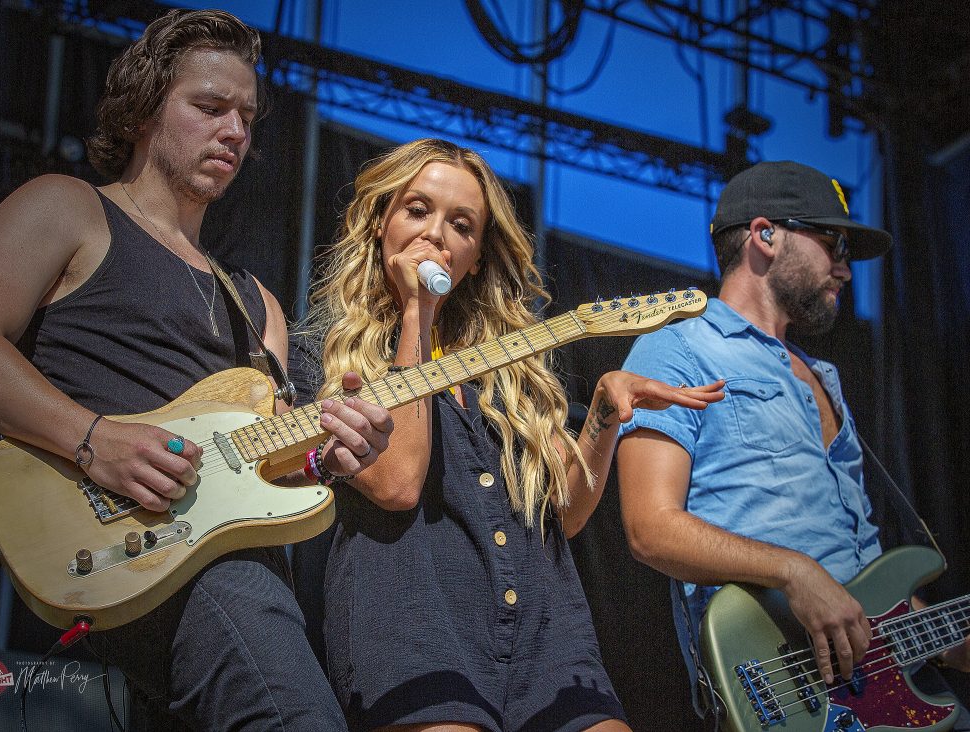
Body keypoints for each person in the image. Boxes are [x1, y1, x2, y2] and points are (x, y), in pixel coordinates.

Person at [0, 9, 392, 730]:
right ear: (145, 110)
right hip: (167, 563)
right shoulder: (68, 208)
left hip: (232, 562)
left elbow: (279, 458)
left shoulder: (256, 304)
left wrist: (329, 451)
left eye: (247, 116)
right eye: (210, 108)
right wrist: (93, 437)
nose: (235, 133)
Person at [299, 137, 724, 732]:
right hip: (417, 635)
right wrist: (417, 311)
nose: (437, 235)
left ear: (475, 255)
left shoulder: (508, 370)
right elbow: (397, 483)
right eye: (417, 210)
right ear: (380, 222)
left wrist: (602, 415)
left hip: (548, 644)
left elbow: (567, 514)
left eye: (461, 225)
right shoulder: (322, 359)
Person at [616, 160, 970, 723]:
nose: (845, 270)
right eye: (833, 244)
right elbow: (648, 527)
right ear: (765, 235)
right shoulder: (678, 350)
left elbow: (867, 576)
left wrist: (948, 636)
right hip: (780, 684)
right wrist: (795, 572)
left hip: (884, 689)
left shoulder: (823, 376)